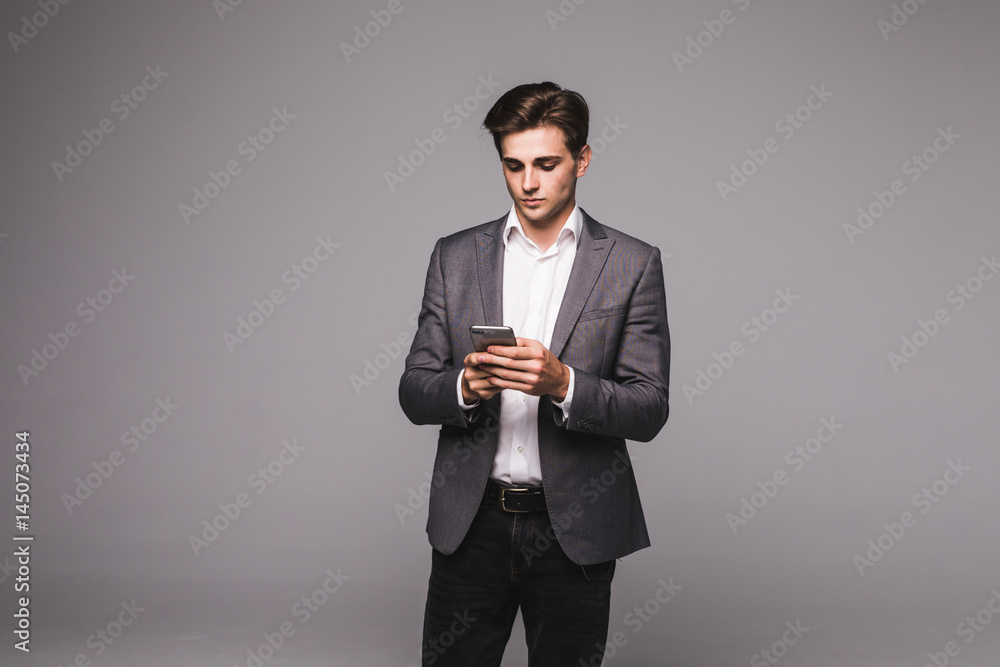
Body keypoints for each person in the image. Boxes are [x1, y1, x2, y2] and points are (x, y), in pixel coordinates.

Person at [398, 81, 670, 667]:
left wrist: (563, 383)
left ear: (583, 159)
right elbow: (415, 389)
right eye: (513, 165)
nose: (528, 183)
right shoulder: (454, 256)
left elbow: (649, 408)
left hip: (575, 527)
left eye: (546, 165)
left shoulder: (632, 263)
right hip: (471, 525)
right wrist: (463, 388)